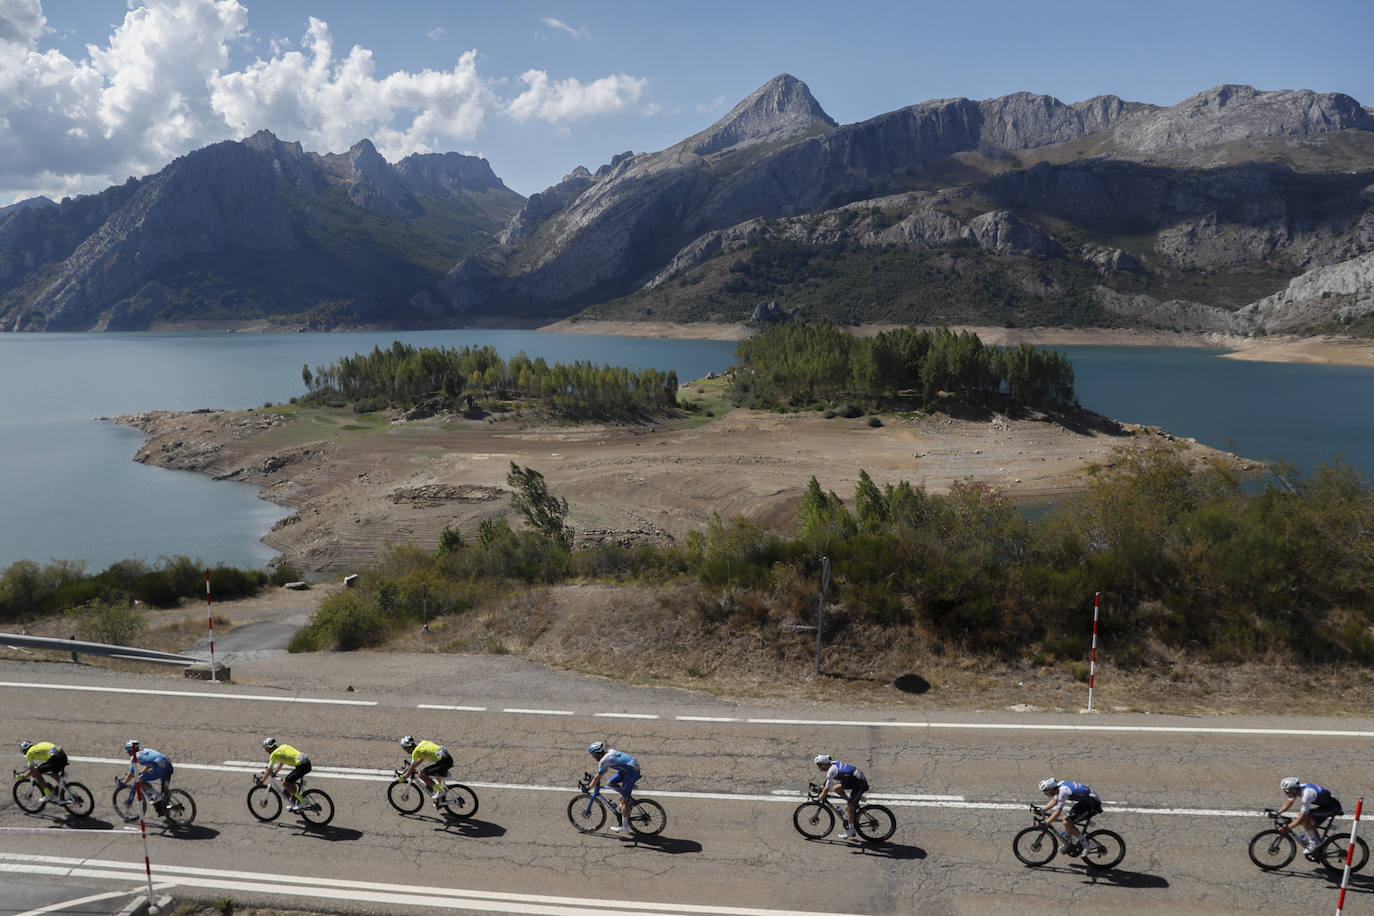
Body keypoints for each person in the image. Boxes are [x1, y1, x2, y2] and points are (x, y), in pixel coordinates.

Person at [1277, 776, 1344, 855]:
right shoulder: (1299, 789)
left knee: (1306, 818)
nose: (1285, 793)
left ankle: (1314, 843)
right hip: (1326, 806)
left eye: (1286, 791)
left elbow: (1302, 817)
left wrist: (1287, 828)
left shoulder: (1306, 795)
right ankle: (1317, 844)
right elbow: (1289, 802)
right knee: (1308, 821)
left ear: (1293, 790)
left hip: (1333, 808)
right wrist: (1277, 813)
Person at [1038, 777, 1105, 854]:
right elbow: (1054, 801)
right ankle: (1068, 843)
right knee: (1067, 819)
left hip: (1092, 804)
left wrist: (1046, 822)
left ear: (1051, 789)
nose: (1045, 794)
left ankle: (1087, 844)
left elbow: (1057, 812)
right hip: (1086, 802)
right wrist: (1042, 810)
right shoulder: (1059, 786)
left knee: (1067, 822)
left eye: (1046, 792)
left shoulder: (1063, 792)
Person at [587, 740, 641, 833]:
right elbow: (604, 771)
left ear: (597, 754)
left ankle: (624, 826)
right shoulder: (609, 752)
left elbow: (597, 778)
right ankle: (627, 795)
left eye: (593, 754)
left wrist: (588, 787)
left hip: (632, 772)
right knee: (610, 783)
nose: (592, 757)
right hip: (628, 768)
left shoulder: (604, 761)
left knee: (623, 800)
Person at [814, 754, 869, 840]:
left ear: (823, 764)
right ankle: (853, 799)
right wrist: (822, 786)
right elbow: (827, 782)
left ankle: (851, 831)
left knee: (849, 808)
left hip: (859, 783)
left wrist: (820, 798)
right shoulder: (832, 765)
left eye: (818, 765)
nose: (817, 767)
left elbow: (826, 789)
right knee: (836, 788)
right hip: (854, 780)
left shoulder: (831, 770)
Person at [122, 739, 174, 816]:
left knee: (139, 780)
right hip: (168, 766)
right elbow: (149, 764)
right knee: (165, 788)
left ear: (130, 751)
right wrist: (142, 772)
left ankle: (158, 797)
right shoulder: (146, 750)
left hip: (160, 769)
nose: (128, 753)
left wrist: (124, 782)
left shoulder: (134, 757)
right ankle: (166, 806)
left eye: (128, 751)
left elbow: (131, 773)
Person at [259, 737, 312, 812]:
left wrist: (262, 781)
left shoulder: (274, 754)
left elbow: (269, 769)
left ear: (268, 748)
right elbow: (282, 761)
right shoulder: (283, 746)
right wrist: (275, 772)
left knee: (285, 783)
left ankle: (303, 801)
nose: (266, 751)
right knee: (290, 783)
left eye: (266, 749)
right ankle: (294, 803)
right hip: (307, 763)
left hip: (302, 767)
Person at [398, 735, 453, 804]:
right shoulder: (422, 743)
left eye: (405, 749)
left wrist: (404, 777)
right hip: (448, 759)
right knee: (436, 777)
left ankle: (441, 792)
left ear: (408, 747)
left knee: (421, 775)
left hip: (443, 762)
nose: (405, 751)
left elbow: (412, 767)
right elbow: (421, 759)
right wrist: (413, 767)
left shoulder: (415, 752)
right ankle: (441, 800)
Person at [19, 740, 68, 805]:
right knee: (54, 775)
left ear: (24, 750)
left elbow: (32, 770)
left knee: (36, 773)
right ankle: (72, 794)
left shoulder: (29, 752)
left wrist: (23, 777)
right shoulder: (38, 746)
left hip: (55, 759)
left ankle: (48, 794)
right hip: (62, 756)